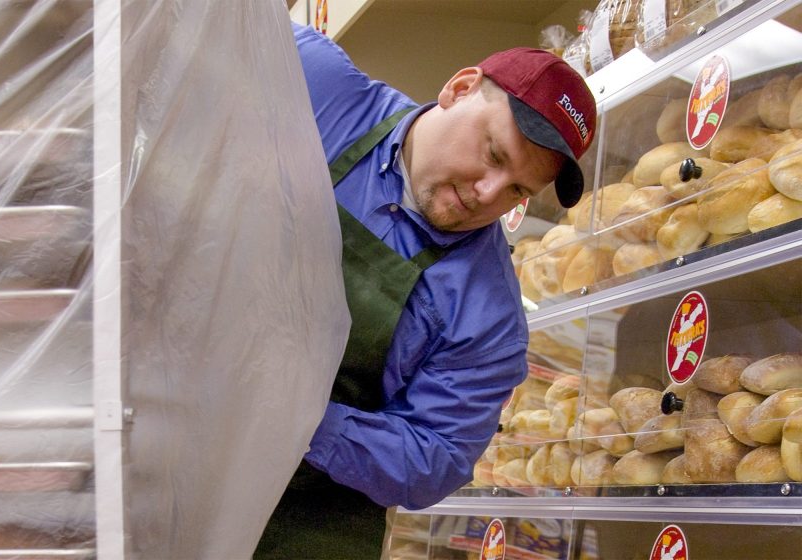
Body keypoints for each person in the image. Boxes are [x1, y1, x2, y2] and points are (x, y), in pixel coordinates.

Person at [254, 22, 596, 559]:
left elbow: (432, 459)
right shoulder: (315, 84)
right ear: (460, 88)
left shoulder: (491, 320)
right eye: (495, 155)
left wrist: (292, 413)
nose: (487, 194)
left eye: (516, 191)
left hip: (302, 525)